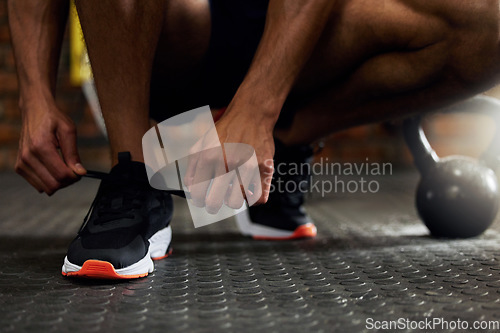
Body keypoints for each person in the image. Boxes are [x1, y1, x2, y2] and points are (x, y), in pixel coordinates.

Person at [8, 0, 500, 279]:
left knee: (488, 23)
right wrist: (34, 91)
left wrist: (258, 108)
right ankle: (135, 169)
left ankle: (285, 138)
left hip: (296, 26)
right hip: (169, 25)